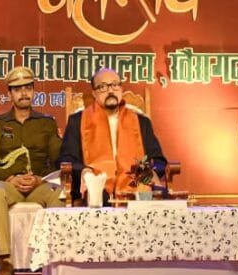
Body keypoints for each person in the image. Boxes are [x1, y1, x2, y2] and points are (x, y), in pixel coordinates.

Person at [0, 66, 64, 275]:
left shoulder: (47, 122)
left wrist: (39, 179)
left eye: (28, 88)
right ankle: (5, 261)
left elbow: (57, 161)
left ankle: (51, 258)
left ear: (34, 91)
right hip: (10, 186)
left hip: (39, 185)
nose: (23, 93)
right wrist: (10, 178)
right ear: (9, 94)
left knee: (59, 194)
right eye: (17, 89)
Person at [58, 67, 166, 204]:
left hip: (137, 186)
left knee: (154, 198)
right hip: (96, 186)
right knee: (96, 196)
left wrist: (149, 172)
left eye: (115, 85)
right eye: (103, 87)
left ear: (121, 89)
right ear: (94, 93)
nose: (110, 91)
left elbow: (158, 160)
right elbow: (67, 159)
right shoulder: (78, 121)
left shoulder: (141, 122)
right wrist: (84, 171)